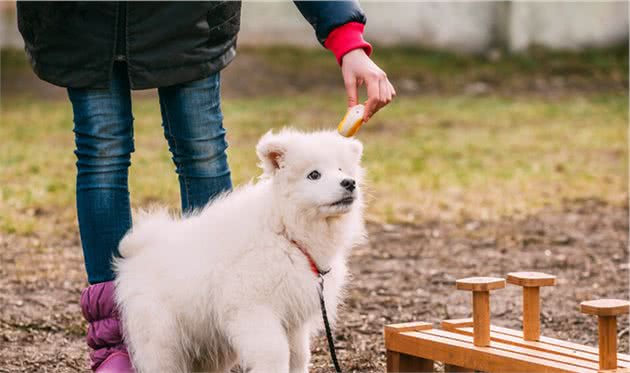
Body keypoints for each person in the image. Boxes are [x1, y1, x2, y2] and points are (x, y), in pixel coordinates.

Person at [17, 2, 395, 372]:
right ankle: (114, 337)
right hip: (81, 19)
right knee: (102, 156)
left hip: (185, 19)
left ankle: (225, 329)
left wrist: (345, 36)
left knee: (202, 153)